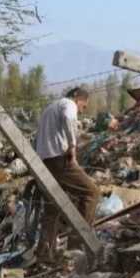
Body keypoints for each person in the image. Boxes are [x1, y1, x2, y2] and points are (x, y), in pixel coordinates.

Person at [34, 87, 100, 263]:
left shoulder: (50, 108)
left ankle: (44, 253)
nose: (82, 110)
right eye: (83, 106)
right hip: (60, 160)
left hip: (44, 161)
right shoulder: (68, 104)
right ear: (78, 98)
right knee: (92, 192)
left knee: (53, 207)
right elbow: (69, 118)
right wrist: (72, 146)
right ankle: (77, 244)